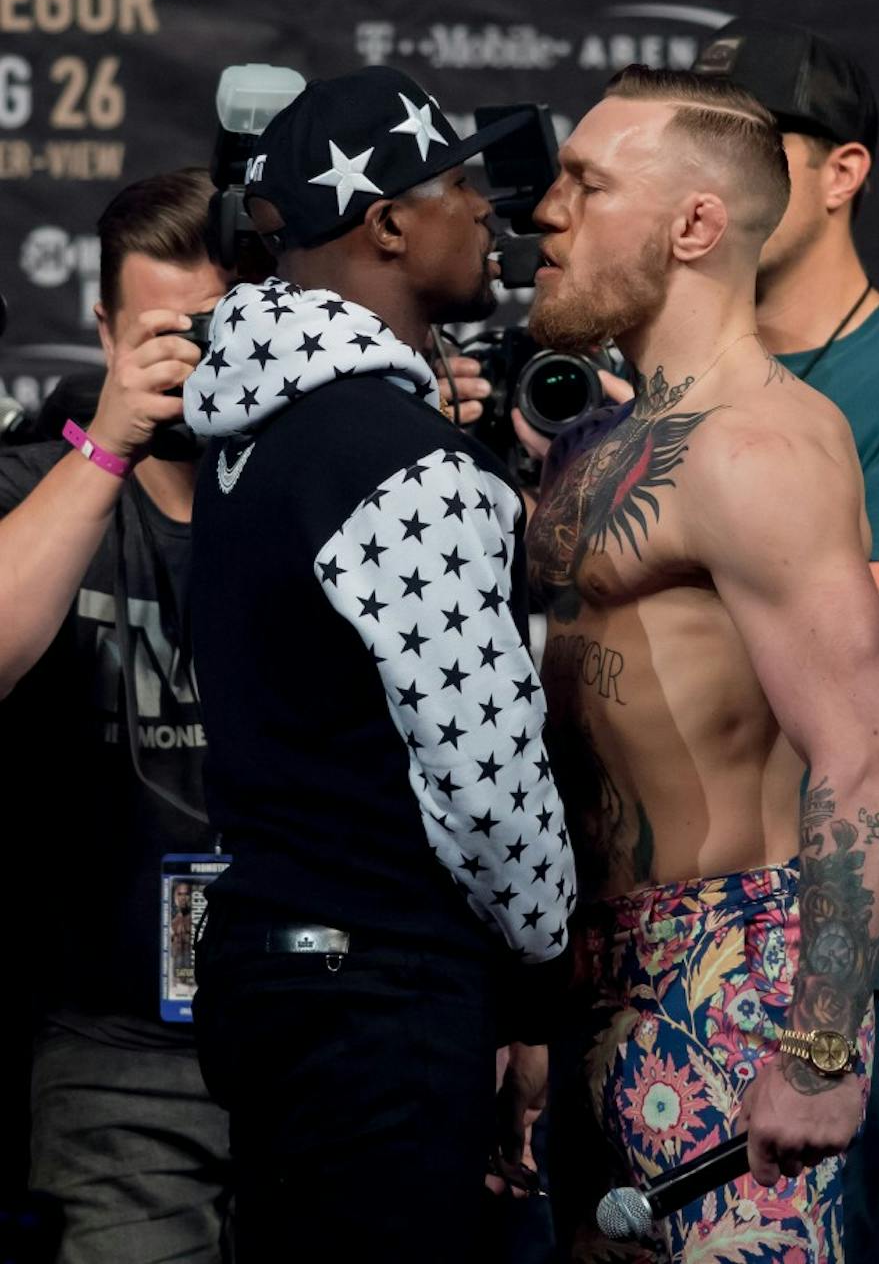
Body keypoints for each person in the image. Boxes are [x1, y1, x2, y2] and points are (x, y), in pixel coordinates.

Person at [520, 66, 879, 1264]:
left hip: (726, 976)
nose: (546, 211)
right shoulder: (601, 437)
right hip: (594, 970)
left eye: (587, 185)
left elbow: (863, 758)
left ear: (695, 224)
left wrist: (819, 1048)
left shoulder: (759, 444)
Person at [181, 66, 576, 1262]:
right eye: (458, 185)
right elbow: (489, 785)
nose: (489, 213)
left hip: (270, 969)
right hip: (382, 1002)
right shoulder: (407, 466)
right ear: (387, 223)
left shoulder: (250, 439)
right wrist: (541, 978)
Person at [690, 19, 879, 1258]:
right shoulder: (629, 373)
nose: (717, 177)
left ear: (842, 171)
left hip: (798, 958)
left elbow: (863, 673)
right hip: (599, 950)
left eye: (758, 144)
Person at [0, 169, 234, 1263]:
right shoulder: (36, 487)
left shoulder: (338, 493)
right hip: (110, 1042)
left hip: (317, 1032)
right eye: (162, 335)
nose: (193, 362)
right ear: (101, 327)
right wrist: (112, 440)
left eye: (219, 332)